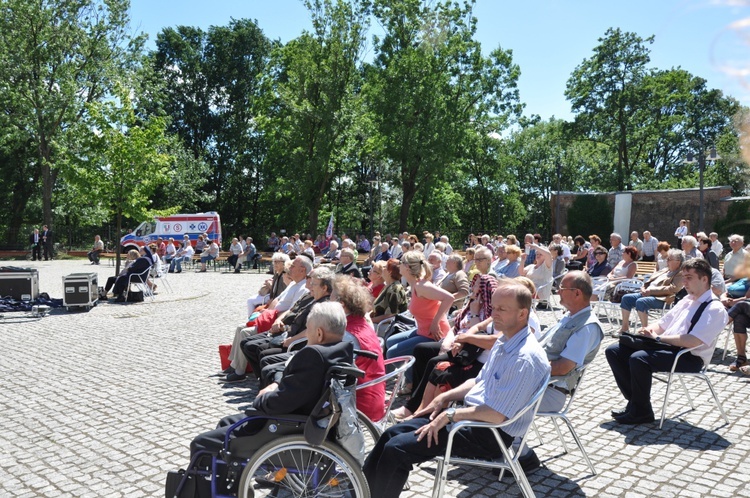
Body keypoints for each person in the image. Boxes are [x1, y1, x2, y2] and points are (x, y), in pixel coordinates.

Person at [363, 283, 550, 498]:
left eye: (502, 309)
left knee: (397, 449)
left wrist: (451, 414)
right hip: (470, 419)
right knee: (390, 435)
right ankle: (362, 490)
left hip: (489, 434)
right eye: (494, 308)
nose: (493, 314)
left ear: (522, 314)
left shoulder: (524, 357)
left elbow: (497, 415)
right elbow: (479, 381)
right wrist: (446, 396)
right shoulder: (505, 341)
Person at [190, 302, 354, 460]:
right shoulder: (342, 351)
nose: (306, 334)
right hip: (307, 420)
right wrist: (277, 384)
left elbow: (280, 402)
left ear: (319, 333)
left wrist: (261, 398)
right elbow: (299, 388)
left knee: (201, 443)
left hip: (285, 426)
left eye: (307, 330)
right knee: (225, 422)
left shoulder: (313, 356)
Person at [605, 259, 728, 425]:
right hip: (669, 347)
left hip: (689, 357)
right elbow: (662, 323)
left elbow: (692, 341)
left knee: (639, 358)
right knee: (614, 350)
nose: (684, 282)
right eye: (683, 277)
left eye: (689, 277)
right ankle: (636, 403)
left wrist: (657, 338)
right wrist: (648, 331)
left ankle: (641, 412)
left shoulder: (714, 308)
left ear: (704, 279)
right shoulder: (687, 300)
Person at [385, 251, 453, 390]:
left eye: (401, 262)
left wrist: (435, 322)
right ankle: (411, 377)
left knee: (392, 353)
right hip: (423, 330)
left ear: (408, 267)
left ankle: (413, 384)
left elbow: (449, 298)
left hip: (434, 333)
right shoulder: (415, 285)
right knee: (390, 341)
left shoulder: (422, 286)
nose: (399, 265)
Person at [331, 275, 386, 422]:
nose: (327, 302)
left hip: (359, 404)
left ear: (341, 304)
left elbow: (335, 373)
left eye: (330, 298)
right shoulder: (360, 323)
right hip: (371, 393)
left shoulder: (348, 335)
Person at [616, 249, 685, 334]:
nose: (667, 261)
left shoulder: (681, 273)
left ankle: (646, 330)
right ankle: (624, 328)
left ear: (678, 262)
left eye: (669, 259)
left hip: (663, 298)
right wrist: (643, 287)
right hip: (648, 293)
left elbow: (673, 289)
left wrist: (651, 291)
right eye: (667, 259)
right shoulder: (665, 270)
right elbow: (649, 281)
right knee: (626, 298)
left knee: (641, 302)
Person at [371, 258, 409, 324]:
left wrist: (370, 321)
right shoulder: (388, 286)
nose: (382, 269)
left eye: (385, 267)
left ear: (390, 272)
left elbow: (391, 316)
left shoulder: (395, 289)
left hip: (385, 326)